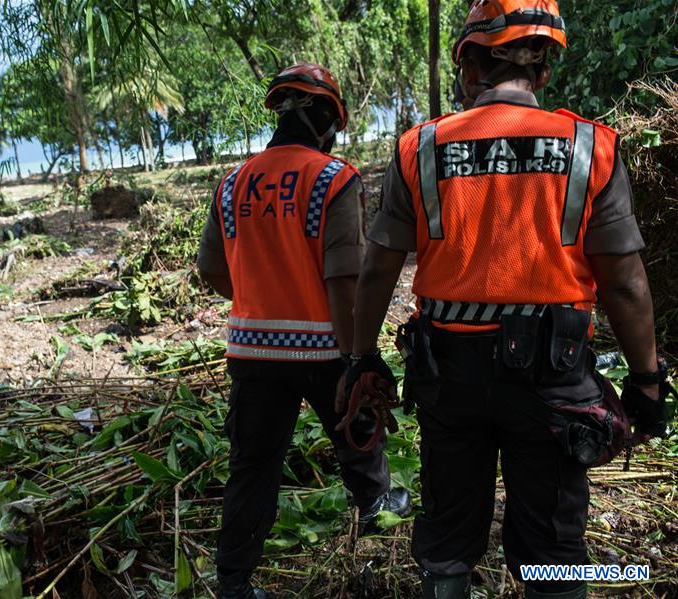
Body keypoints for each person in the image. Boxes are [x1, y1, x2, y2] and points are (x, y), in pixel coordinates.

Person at [343, 1, 670, 597]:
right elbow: (624, 282)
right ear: (543, 71)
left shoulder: (420, 148)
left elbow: (376, 271)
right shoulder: (587, 147)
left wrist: (363, 360)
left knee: (446, 536)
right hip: (554, 379)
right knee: (553, 544)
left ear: (469, 66)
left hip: (449, 378)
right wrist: (647, 380)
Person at [196, 63, 411, 599]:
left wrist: (260, 300)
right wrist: (358, 354)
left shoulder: (233, 182)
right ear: (325, 120)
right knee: (357, 436)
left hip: (251, 351)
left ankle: (234, 582)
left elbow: (212, 271)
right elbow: (343, 278)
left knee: (253, 466)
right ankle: (378, 518)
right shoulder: (334, 179)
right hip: (322, 347)